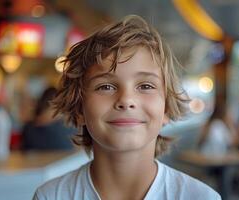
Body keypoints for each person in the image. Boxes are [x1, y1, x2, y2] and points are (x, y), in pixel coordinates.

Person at [33, 15, 221, 200]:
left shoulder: (201, 197)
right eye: (106, 87)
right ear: (79, 108)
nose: (126, 99)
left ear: (166, 109)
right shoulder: (51, 196)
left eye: (145, 86)